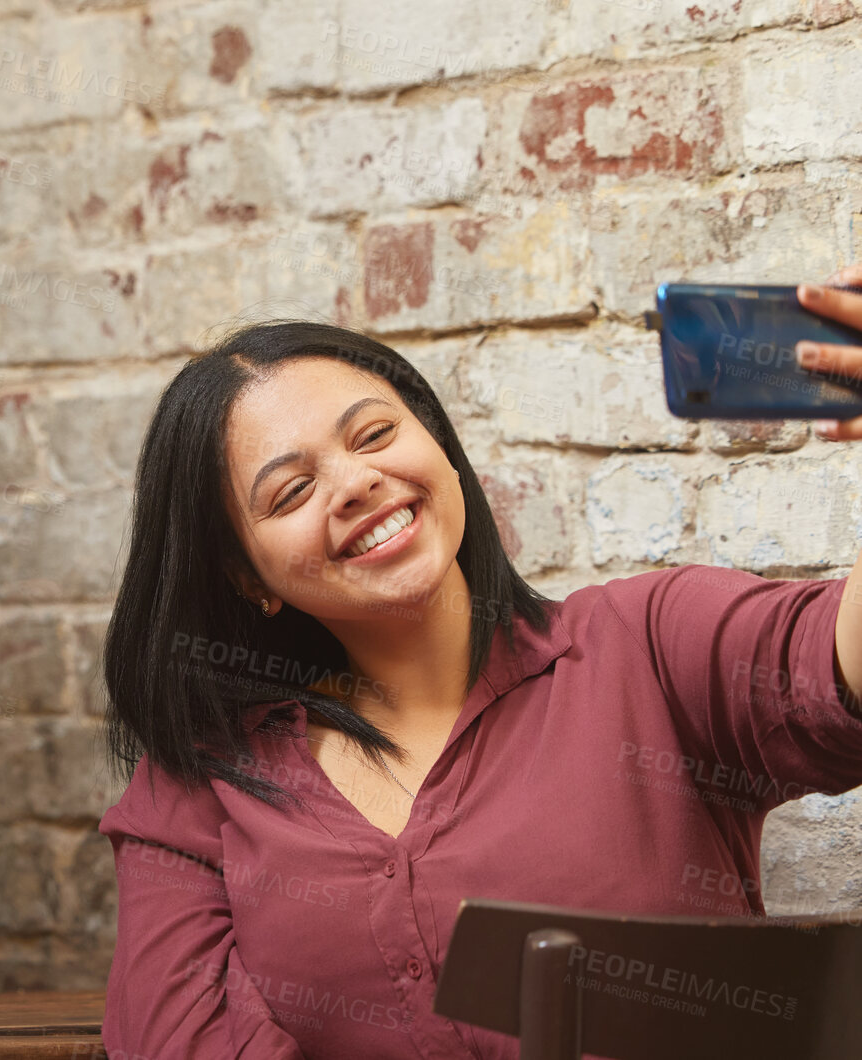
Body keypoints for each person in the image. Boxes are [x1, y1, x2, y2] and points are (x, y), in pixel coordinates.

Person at [98, 271, 862, 1059]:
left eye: (373, 436)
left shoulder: (650, 647)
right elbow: (175, 1039)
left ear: (440, 447)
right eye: (292, 491)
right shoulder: (200, 782)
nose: (357, 482)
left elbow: (841, 668)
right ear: (246, 577)